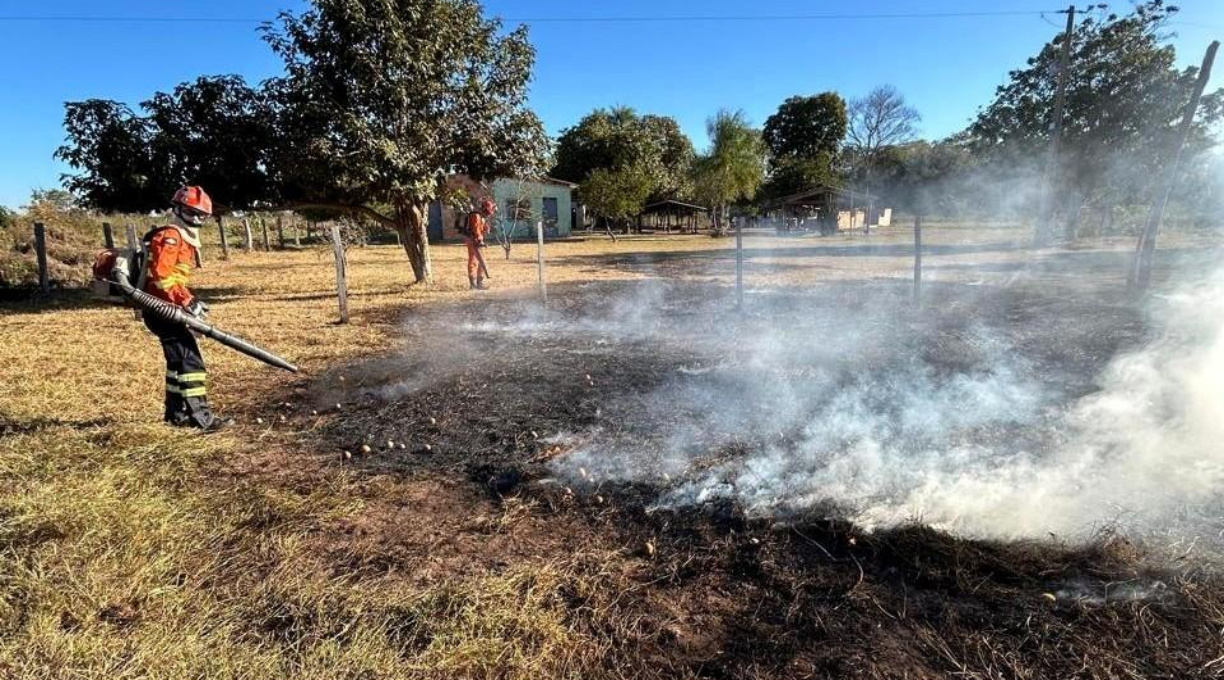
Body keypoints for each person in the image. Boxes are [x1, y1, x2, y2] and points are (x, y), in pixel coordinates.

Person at [142, 185, 224, 431]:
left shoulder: (181, 237)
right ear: (178, 209)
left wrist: (188, 300)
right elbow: (161, 276)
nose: (197, 219)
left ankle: (175, 414)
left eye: (202, 215)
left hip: (165, 307)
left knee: (178, 361)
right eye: (192, 213)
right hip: (160, 309)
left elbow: (173, 280)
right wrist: (186, 301)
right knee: (191, 362)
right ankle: (202, 418)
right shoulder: (170, 236)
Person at [465, 198, 496, 290]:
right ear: (484, 209)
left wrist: (486, 228)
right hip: (473, 240)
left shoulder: (481, 217)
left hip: (476, 240)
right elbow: (476, 230)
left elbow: (481, 229)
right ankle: (474, 284)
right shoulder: (476, 216)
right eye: (488, 212)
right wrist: (479, 240)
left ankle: (478, 283)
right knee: (475, 261)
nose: (489, 214)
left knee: (479, 261)